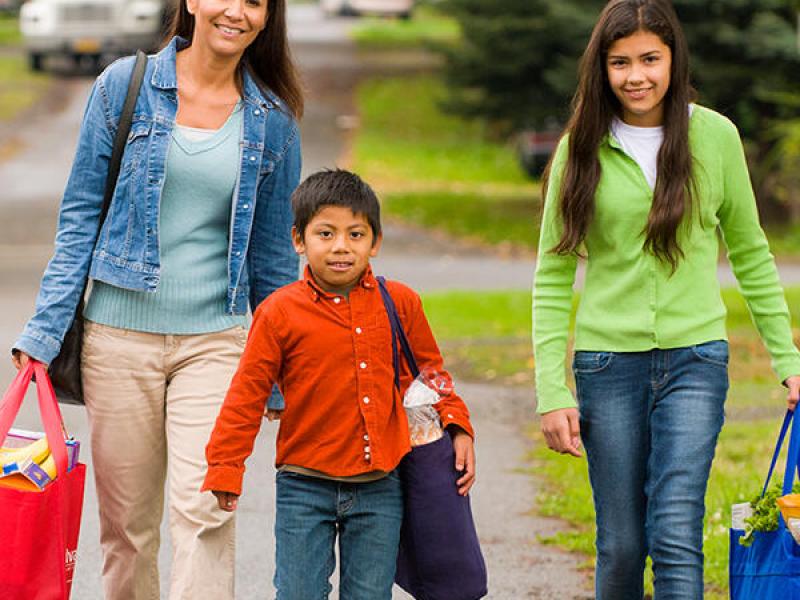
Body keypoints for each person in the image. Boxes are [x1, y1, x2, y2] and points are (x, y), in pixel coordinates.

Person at [11, 1, 303, 598]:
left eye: (256, 3)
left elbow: (274, 261)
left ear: (267, 19)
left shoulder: (273, 120)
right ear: (192, 0)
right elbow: (79, 217)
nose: (237, 12)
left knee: (207, 513)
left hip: (219, 344)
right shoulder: (124, 86)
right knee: (127, 530)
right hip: (118, 341)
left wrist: (279, 374)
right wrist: (43, 332)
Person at [532, 0, 800, 598]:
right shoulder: (579, 148)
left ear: (673, 59)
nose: (637, 76)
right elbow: (552, 277)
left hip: (696, 362)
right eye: (620, 62)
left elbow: (752, 254)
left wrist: (789, 361)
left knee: (676, 533)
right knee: (622, 546)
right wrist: (552, 388)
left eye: (650, 59)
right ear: (601, 69)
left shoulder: (715, 137)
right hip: (607, 366)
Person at [202, 169, 477, 599]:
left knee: (369, 595)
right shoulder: (279, 312)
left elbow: (430, 375)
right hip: (303, 485)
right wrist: (225, 466)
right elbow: (247, 393)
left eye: (355, 234)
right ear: (299, 240)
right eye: (325, 234)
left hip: (380, 485)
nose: (341, 247)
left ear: (375, 241)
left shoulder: (400, 302)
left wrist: (457, 424)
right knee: (298, 593)